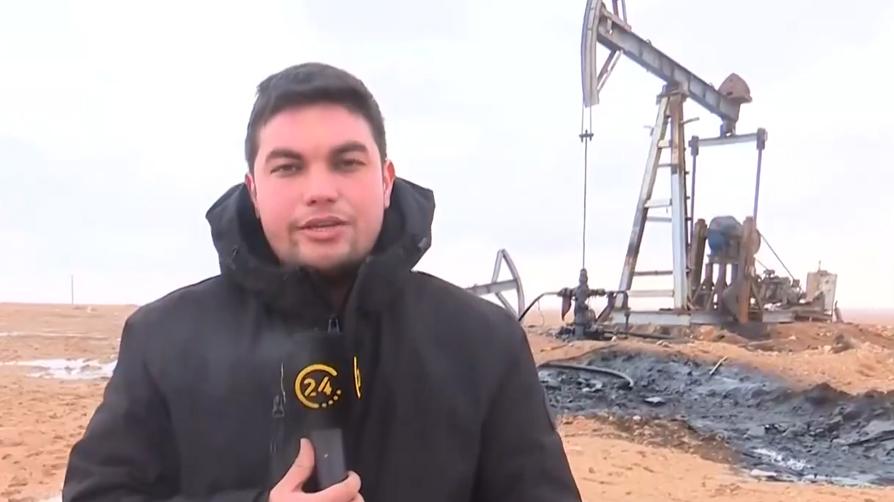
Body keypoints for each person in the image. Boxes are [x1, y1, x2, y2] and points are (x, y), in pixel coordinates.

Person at [61, 62, 582, 502]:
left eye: (346, 162)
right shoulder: (163, 338)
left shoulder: (483, 343)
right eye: (288, 168)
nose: (320, 190)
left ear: (385, 181)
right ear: (254, 191)